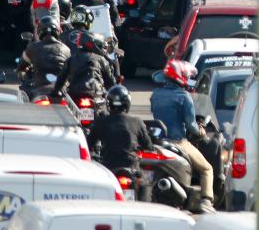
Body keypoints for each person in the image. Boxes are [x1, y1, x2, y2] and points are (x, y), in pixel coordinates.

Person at [150, 60, 215, 211]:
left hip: (159, 142)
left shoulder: (155, 95)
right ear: (182, 76)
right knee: (207, 169)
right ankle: (206, 201)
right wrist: (201, 131)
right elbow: (191, 125)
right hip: (179, 142)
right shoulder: (184, 96)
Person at [88, 85, 153, 175]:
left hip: (109, 168)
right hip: (132, 167)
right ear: (128, 103)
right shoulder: (137, 121)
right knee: (146, 185)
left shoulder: (100, 121)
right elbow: (148, 146)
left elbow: (89, 145)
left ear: (108, 103)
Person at [53, 30, 116, 100]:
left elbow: (61, 79)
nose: (101, 47)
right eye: (99, 44)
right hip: (95, 93)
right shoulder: (101, 59)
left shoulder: (71, 59)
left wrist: (56, 92)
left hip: (75, 94)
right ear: (92, 43)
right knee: (104, 108)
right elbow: (110, 82)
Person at [19, 16, 70, 93]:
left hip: (39, 90)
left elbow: (21, 66)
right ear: (57, 30)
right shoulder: (66, 49)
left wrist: (23, 73)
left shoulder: (33, 47)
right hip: (60, 92)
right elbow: (72, 70)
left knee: (24, 94)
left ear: (40, 31)